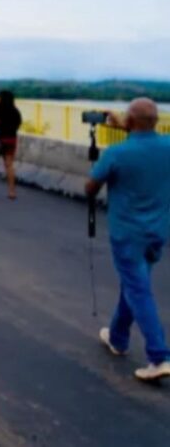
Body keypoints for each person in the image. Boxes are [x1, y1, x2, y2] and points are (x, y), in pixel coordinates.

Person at [87, 98, 170, 382]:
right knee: (134, 284)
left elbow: (90, 186)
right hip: (157, 232)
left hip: (127, 234)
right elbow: (146, 145)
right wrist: (128, 127)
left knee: (138, 289)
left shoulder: (117, 153)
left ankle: (159, 356)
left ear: (130, 121)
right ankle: (118, 337)